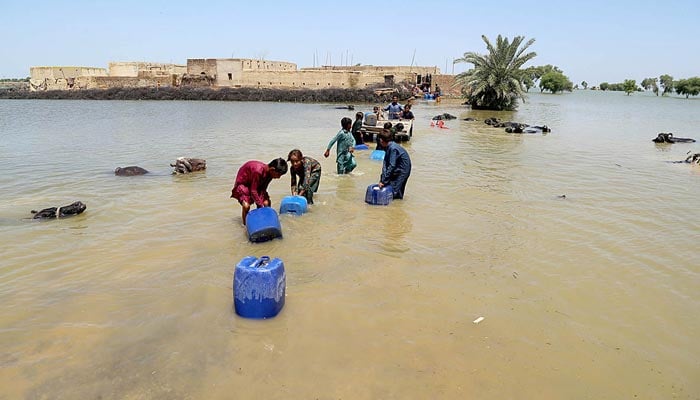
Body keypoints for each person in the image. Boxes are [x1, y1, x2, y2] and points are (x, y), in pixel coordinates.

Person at [230, 158, 288, 225]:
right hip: (244, 184)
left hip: (256, 185)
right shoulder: (258, 171)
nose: (278, 177)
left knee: (266, 203)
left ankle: (266, 222)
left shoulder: (270, 174)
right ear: (272, 169)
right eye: (278, 175)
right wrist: (260, 206)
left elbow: (263, 189)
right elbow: (253, 191)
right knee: (246, 206)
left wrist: (262, 205)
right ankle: (245, 225)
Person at [377, 130, 412, 199]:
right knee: (392, 188)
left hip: (402, 171)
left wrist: (384, 181)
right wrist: (383, 179)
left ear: (381, 140)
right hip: (398, 168)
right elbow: (385, 165)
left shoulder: (392, 148)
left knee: (394, 191)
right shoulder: (389, 147)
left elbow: (391, 165)